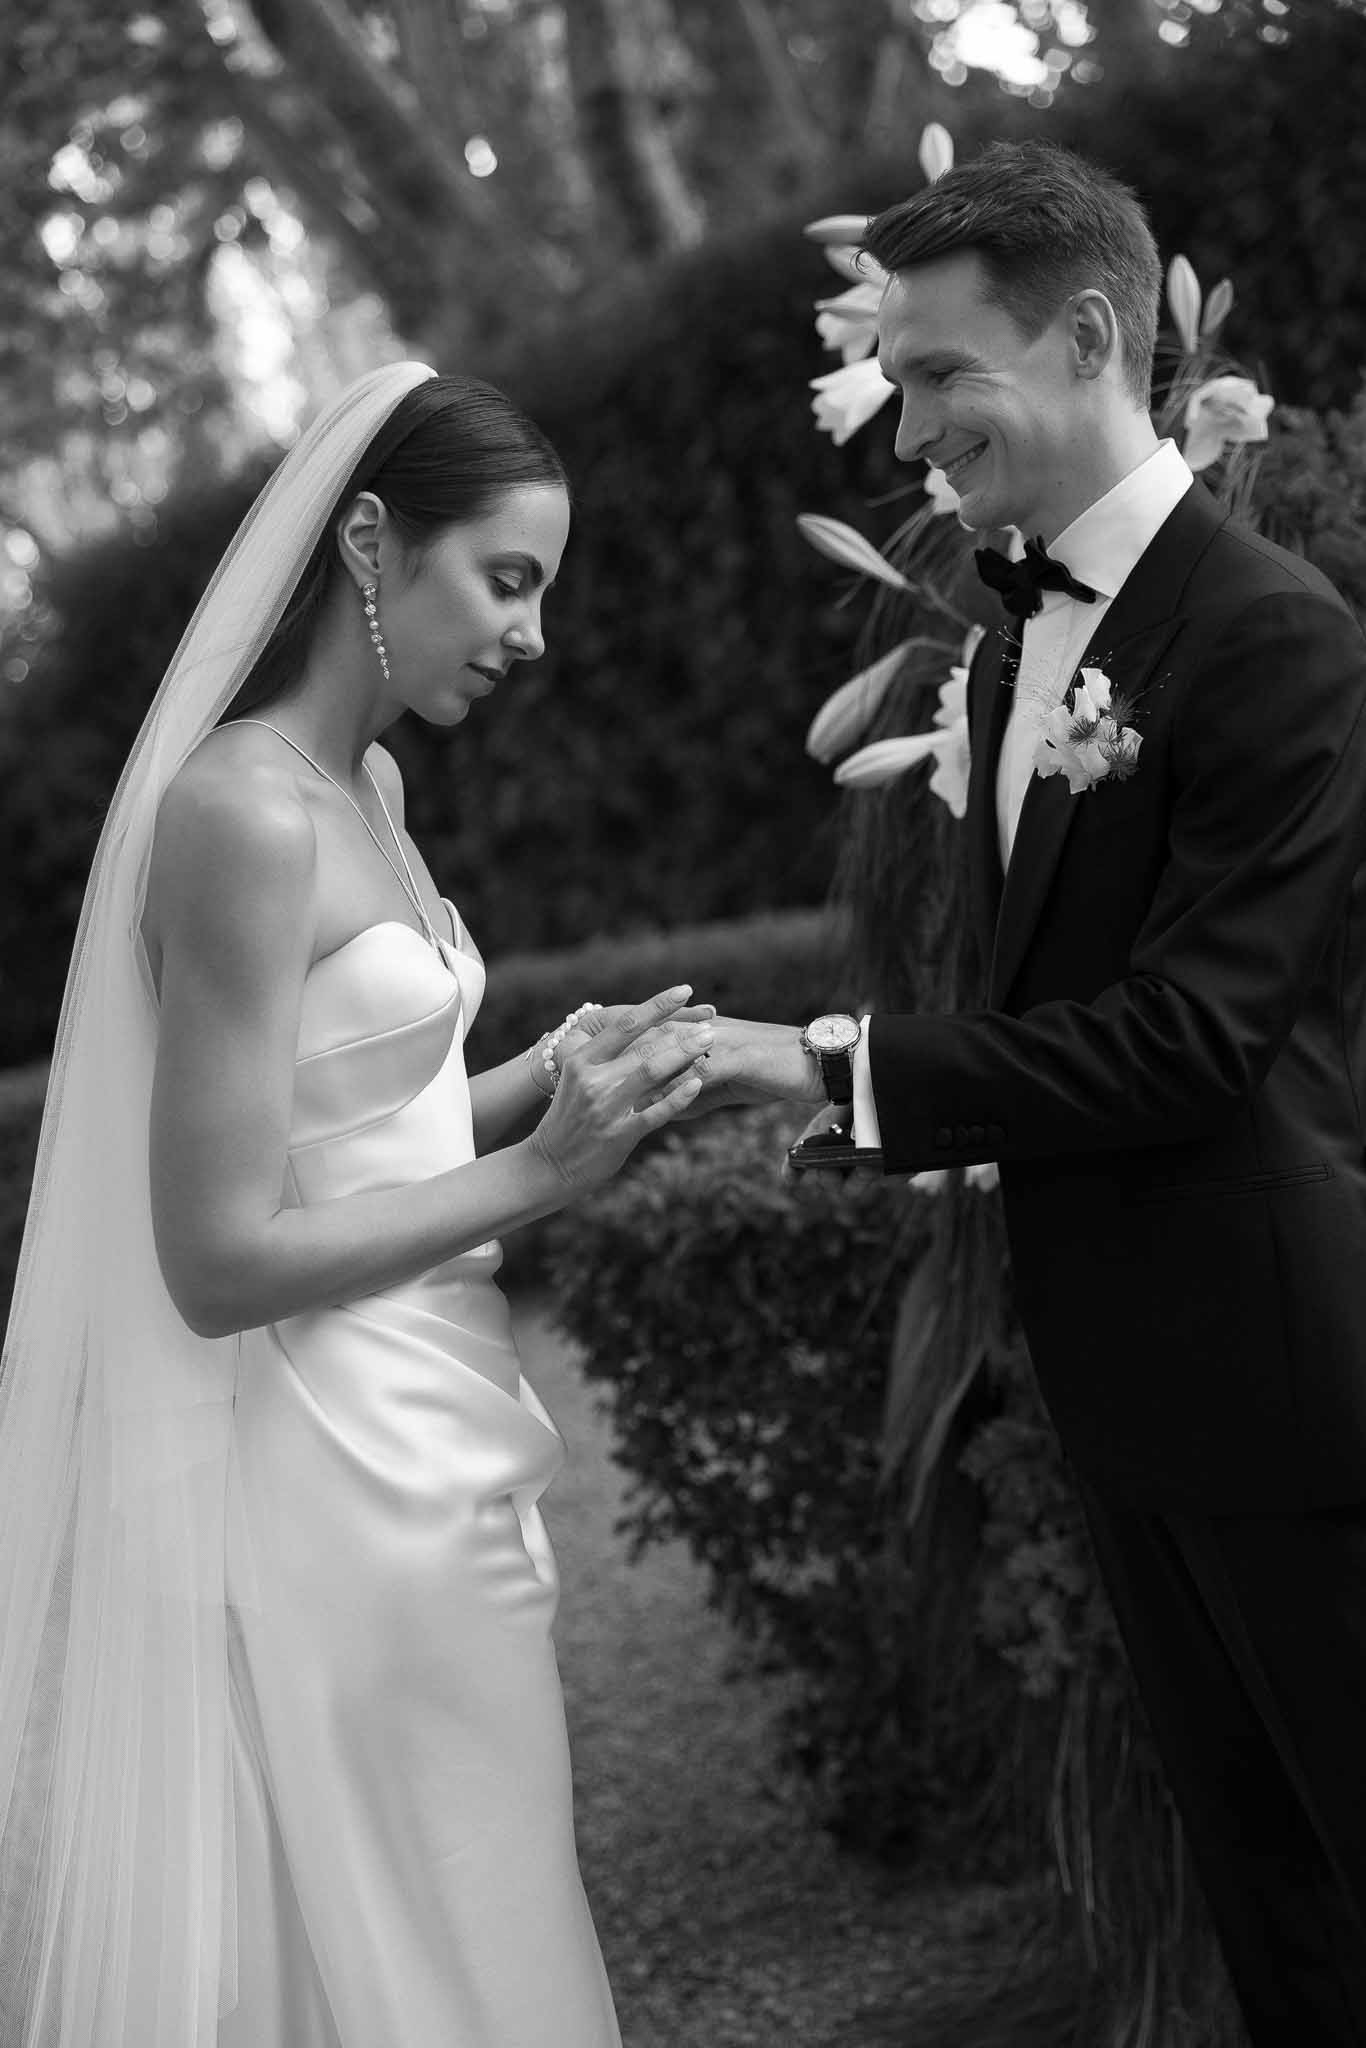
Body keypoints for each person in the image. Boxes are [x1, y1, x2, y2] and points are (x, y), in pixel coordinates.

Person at [699, 141, 1366, 2044]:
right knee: (1274, 1917)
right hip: (1120, 1384)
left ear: (1089, 336)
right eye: (893, 380)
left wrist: (824, 1068)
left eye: (935, 378)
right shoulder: (1005, 655)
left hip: (1287, 1390)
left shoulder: (1267, 633)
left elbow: (1185, 1040)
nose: (905, 431)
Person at [0, 364, 715, 2048]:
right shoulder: (239, 816)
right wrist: (539, 1176)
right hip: (336, 1470)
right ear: (374, 542)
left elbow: (359, 1145)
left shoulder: (371, 796)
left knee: (477, 1881)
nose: (534, 635)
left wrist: (543, 1068)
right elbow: (218, 1254)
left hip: (443, 1428)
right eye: (510, 580)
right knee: (423, 1921)